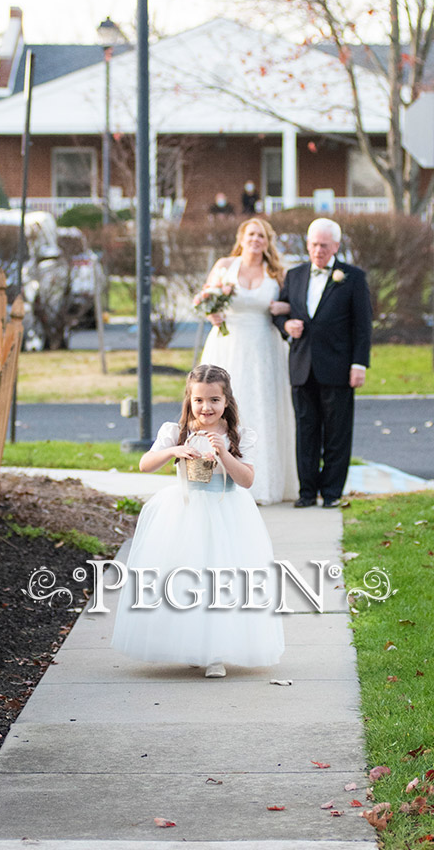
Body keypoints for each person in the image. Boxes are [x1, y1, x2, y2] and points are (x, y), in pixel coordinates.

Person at [110, 364, 285, 678]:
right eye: (199, 400)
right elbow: (144, 464)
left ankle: (216, 653)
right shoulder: (175, 431)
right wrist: (174, 450)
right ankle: (192, 644)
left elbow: (246, 480)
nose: (207, 407)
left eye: (215, 400)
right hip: (185, 511)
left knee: (221, 578)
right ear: (189, 401)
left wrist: (224, 454)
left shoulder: (238, 435)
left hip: (227, 512)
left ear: (226, 401)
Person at [273, 217, 372, 509]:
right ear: (307, 244)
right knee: (306, 431)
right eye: (314, 244)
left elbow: (363, 326)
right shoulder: (295, 275)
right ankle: (307, 492)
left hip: (338, 367)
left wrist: (359, 364)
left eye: (325, 245)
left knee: (337, 432)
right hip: (302, 366)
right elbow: (279, 313)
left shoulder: (352, 277)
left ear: (336, 247)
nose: (318, 250)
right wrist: (285, 325)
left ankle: (331, 493)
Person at [199, 217, 298, 505]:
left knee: (262, 407)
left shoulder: (277, 273)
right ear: (242, 237)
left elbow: (295, 304)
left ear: (268, 243)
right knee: (223, 406)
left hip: (264, 348)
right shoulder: (224, 267)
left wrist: (286, 306)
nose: (256, 240)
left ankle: (262, 484)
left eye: (262, 236)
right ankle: (214, 477)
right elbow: (206, 300)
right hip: (227, 345)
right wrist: (211, 315)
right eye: (252, 234)